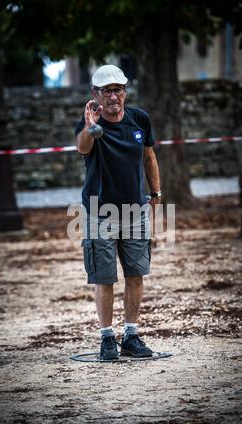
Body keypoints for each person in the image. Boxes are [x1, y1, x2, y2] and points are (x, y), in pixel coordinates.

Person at [75, 64, 161, 360]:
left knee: (136, 274)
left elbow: (149, 156)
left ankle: (131, 335)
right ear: (96, 94)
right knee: (104, 277)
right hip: (100, 212)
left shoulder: (139, 119)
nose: (114, 97)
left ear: (126, 91)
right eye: (107, 91)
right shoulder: (91, 124)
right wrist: (89, 126)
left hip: (135, 210)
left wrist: (156, 194)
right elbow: (83, 149)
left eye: (119, 89)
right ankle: (107, 339)